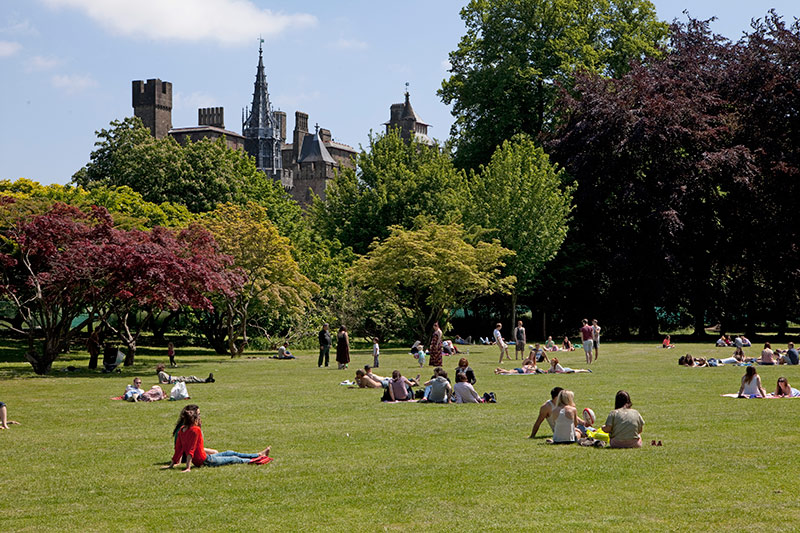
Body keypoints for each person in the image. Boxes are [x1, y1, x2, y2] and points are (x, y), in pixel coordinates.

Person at [161, 405, 270, 471]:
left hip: (204, 458)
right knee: (234, 459)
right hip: (206, 461)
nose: (200, 418)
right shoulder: (194, 430)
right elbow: (189, 450)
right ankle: (255, 460)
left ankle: (258, 454)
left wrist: (171, 465)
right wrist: (187, 467)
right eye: (198, 416)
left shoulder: (183, 430)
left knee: (229, 452)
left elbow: (179, 449)